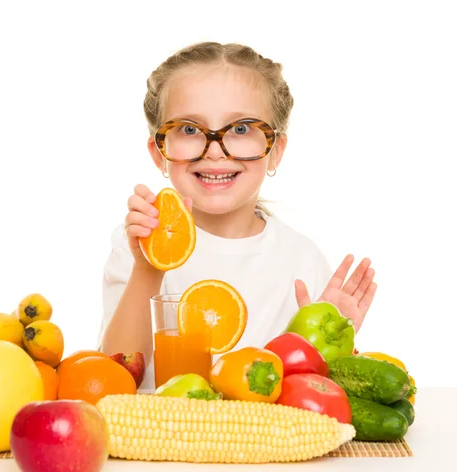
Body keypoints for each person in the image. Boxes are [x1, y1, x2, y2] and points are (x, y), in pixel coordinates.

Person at [98, 41, 377, 390]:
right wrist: (148, 269)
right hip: (162, 445)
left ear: (275, 152)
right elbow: (110, 380)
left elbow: (312, 396)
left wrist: (331, 346)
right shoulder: (139, 247)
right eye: (188, 129)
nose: (215, 151)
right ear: (160, 153)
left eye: (241, 129)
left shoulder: (301, 259)